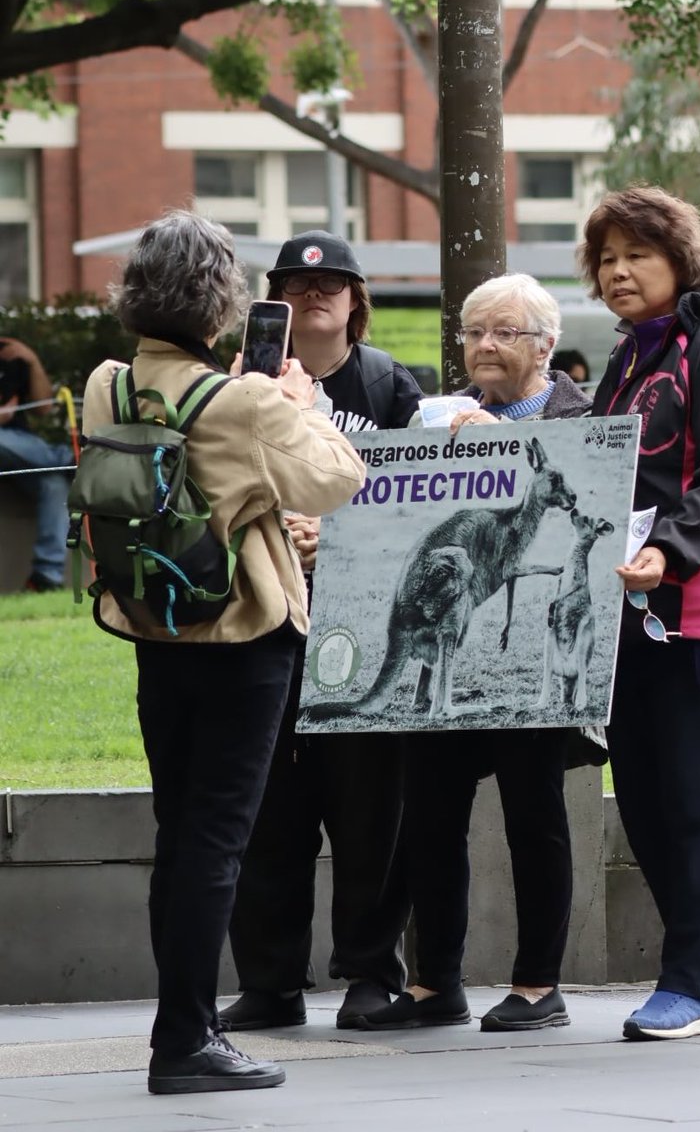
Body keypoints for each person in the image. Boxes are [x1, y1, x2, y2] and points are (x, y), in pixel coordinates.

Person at [81, 211, 365, 1093]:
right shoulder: (241, 402)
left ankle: (184, 1024)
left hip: (152, 627)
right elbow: (339, 478)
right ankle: (185, 1043)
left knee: (180, 835)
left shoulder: (106, 386)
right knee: (217, 841)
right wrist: (300, 403)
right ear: (220, 303)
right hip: (244, 637)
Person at [356, 273, 592, 1035]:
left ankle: (536, 984)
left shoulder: (585, 423)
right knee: (429, 814)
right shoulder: (435, 420)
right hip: (442, 645)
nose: (484, 346)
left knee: (534, 813)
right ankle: (434, 984)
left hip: (534, 667)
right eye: (472, 332)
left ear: (545, 346)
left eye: (504, 332)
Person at [580, 185, 700, 1040]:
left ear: (678, 261)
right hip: (630, 610)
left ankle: (689, 986)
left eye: (638, 256)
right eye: (607, 258)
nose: (619, 272)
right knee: (646, 799)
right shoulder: (626, 360)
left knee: (695, 799)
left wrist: (670, 551)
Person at [220, 231, 422, 1034]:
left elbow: (419, 501)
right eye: (297, 287)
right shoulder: (241, 388)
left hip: (363, 623)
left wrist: (334, 537)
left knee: (371, 806)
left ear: (356, 300)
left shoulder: (389, 386)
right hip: (266, 617)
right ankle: (269, 980)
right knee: (268, 808)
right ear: (270, 301)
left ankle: (374, 973)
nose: (314, 297)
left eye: (331, 284)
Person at [0, 337, 73, 591]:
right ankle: (70, 458)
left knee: (54, 485)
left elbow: (44, 407)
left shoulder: (9, 354)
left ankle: (45, 578)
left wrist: (31, 359)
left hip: (22, 450)